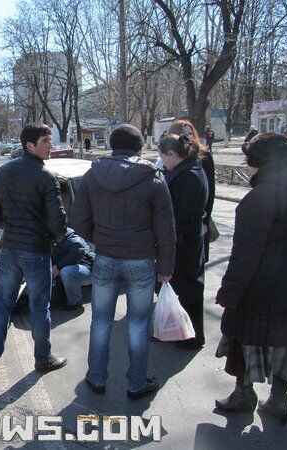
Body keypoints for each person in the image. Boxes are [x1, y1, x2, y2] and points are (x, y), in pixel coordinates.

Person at [71, 124, 175, 399]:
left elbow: (78, 220)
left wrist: (100, 239)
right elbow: (166, 228)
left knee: (100, 322)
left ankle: (97, 378)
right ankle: (137, 383)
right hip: (141, 261)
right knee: (139, 324)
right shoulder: (153, 177)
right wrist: (166, 267)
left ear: (111, 145)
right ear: (140, 147)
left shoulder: (93, 175)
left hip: (105, 257)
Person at [214, 133, 287, 425]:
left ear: (260, 163)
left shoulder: (260, 198)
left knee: (241, 337)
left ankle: (243, 393)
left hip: (259, 288)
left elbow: (245, 255)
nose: (247, 167)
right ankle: (278, 398)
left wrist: (228, 293)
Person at [0, 123, 68, 374]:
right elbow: (58, 221)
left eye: (50, 140)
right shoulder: (45, 176)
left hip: (10, 248)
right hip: (35, 250)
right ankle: (43, 360)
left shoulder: (5, 171)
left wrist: (9, 226)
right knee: (40, 307)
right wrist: (53, 238)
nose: (50, 146)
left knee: (3, 303)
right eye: (45, 141)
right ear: (29, 145)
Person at [158, 134, 208, 350]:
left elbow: (180, 217)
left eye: (163, 157)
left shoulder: (187, 176)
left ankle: (191, 336)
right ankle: (182, 333)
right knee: (184, 287)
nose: (163, 162)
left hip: (184, 243)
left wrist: (170, 246)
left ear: (171, 154)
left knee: (189, 289)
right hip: (187, 239)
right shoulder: (189, 169)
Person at [168, 119, 215, 262]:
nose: (188, 138)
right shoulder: (168, 155)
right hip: (175, 219)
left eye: (190, 133)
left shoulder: (204, 155)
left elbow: (210, 191)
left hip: (196, 218)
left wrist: (205, 220)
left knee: (194, 261)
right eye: (183, 134)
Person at [51, 227, 94, 309]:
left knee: (66, 272)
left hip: (89, 270)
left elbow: (79, 250)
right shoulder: (49, 237)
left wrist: (58, 266)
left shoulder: (68, 234)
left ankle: (75, 302)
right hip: (75, 269)